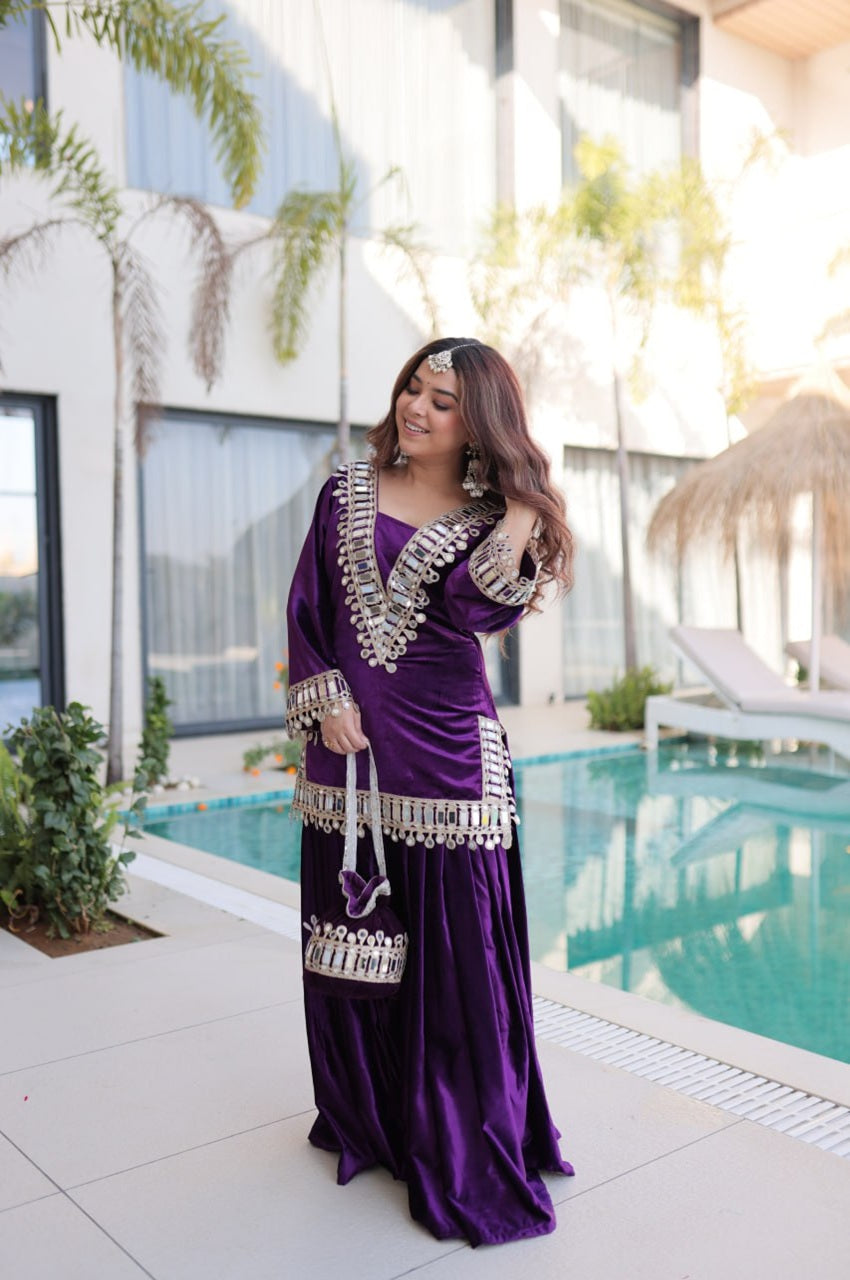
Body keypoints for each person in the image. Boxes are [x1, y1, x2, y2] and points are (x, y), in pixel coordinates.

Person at [285, 337, 575, 1246]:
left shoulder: (495, 518)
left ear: (477, 421)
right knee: (351, 950)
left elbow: (475, 611)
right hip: (351, 757)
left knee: (459, 972)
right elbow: (307, 609)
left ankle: (458, 1140)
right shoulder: (346, 490)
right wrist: (325, 702)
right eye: (413, 385)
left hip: (450, 762)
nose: (416, 407)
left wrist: (525, 510)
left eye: (442, 400)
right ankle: (371, 1119)